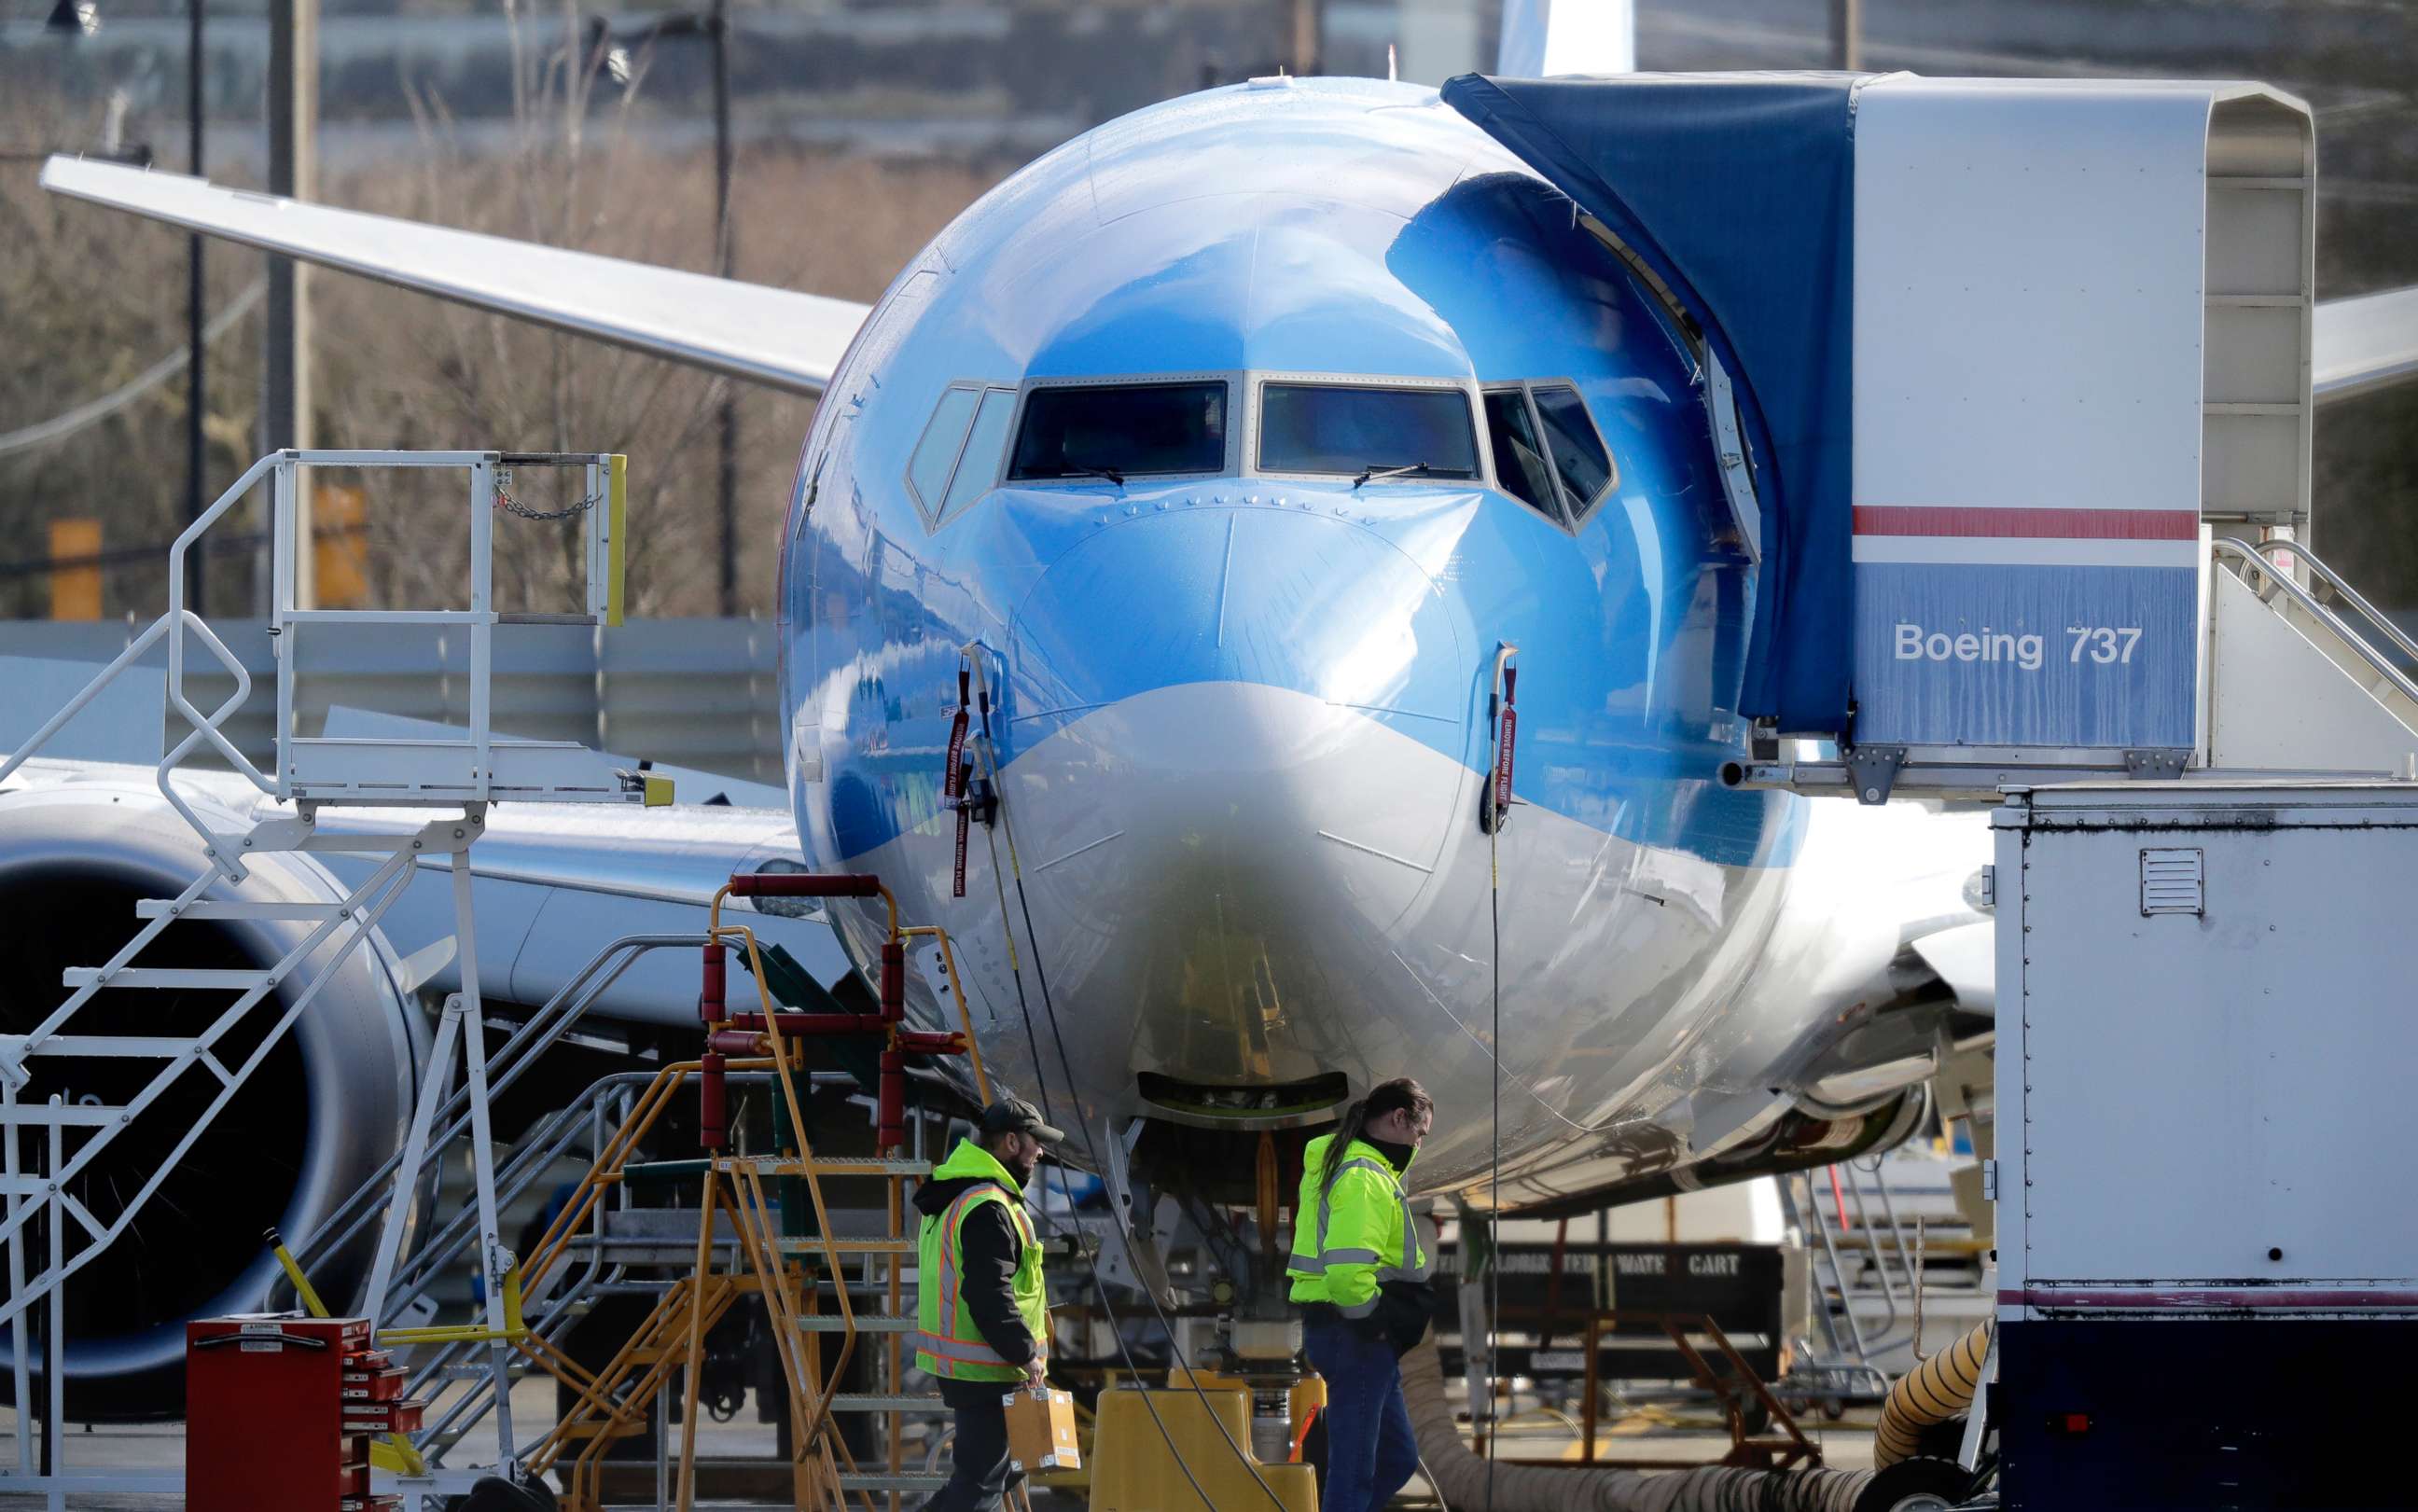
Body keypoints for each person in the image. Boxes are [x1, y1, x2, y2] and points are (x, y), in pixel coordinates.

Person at [1286, 1077, 1437, 1512]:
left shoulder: (1349, 1164)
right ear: (1398, 1118)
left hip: (1350, 1334)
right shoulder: (1364, 1175)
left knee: (1397, 1457)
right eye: (1420, 1133)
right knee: (1354, 1470)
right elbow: (1348, 1272)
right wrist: (1372, 1322)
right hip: (1353, 1333)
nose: (1419, 1145)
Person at [914, 1097, 1063, 1512]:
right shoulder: (987, 1207)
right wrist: (1024, 1352)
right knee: (979, 1487)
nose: (1040, 1152)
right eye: (1036, 1143)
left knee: (997, 1473)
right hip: (987, 1368)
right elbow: (988, 1294)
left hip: (978, 1367)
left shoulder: (963, 1194)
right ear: (1012, 1143)